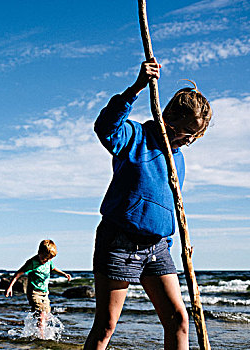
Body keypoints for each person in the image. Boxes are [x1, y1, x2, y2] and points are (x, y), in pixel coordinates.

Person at [83, 58, 212, 350]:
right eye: (186, 132)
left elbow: (167, 203)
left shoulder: (177, 156)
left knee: (178, 320)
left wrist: (170, 238)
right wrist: (137, 87)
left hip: (157, 247)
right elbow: (104, 127)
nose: (189, 140)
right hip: (120, 241)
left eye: (195, 137)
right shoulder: (135, 136)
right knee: (105, 325)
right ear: (169, 119)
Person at [5, 239, 71, 336]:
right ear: (39, 253)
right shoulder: (32, 262)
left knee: (46, 315)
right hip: (34, 292)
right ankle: (42, 336)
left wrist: (64, 274)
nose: (47, 261)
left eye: (49, 259)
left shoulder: (49, 262)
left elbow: (53, 268)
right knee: (41, 314)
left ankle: (33, 332)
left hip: (45, 293)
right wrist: (10, 287)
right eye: (45, 258)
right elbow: (18, 274)